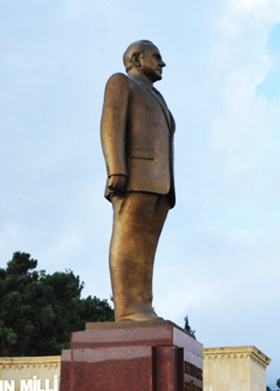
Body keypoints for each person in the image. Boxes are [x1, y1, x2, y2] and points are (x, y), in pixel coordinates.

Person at [100, 40, 175, 322]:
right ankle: (128, 308)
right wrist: (116, 169)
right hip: (134, 175)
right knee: (129, 240)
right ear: (136, 59)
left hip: (161, 182)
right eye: (156, 56)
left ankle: (144, 305)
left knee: (146, 248)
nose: (162, 63)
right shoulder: (121, 83)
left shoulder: (157, 97)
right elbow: (111, 126)